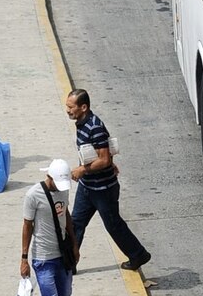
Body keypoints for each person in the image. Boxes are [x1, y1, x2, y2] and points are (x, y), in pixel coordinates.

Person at [65, 88, 151, 271]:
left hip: (103, 190)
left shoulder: (94, 126)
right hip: (88, 186)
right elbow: (103, 152)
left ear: (84, 107)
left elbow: (103, 158)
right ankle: (69, 264)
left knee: (113, 225)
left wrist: (82, 169)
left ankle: (138, 255)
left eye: (71, 107)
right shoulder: (82, 123)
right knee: (75, 223)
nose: (68, 110)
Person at [21, 159, 78, 296]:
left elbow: (67, 216)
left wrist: (74, 245)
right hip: (43, 259)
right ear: (50, 177)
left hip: (62, 256)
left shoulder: (63, 191)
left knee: (65, 295)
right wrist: (24, 258)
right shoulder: (33, 195)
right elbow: (27, 226)